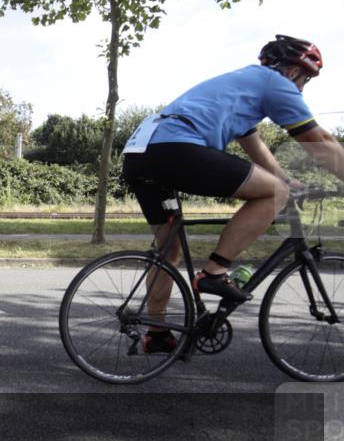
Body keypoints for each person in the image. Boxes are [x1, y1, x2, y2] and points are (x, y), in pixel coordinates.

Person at [120, 34, 344, 354]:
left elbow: (255, 147)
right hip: (177, 147)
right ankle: (215, 272)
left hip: (141, 153)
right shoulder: (274, 83)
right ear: (294, 70)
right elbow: (318, 140)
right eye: (306, 78)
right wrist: (282, 188)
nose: (303, 88)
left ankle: (158, 334)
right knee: (272, 194)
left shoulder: (243, 87)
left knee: (167, 251)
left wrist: (285, 181)